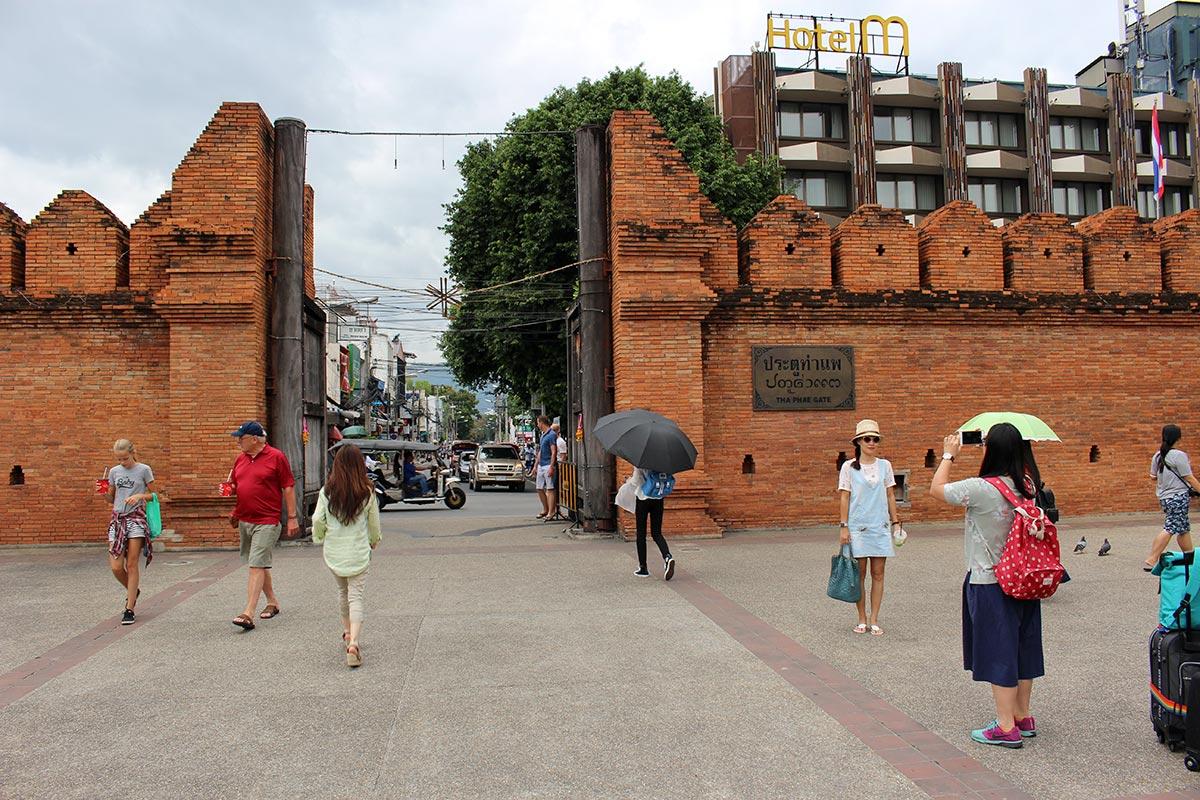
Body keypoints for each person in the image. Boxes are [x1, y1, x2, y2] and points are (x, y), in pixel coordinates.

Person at [931, 422, 1044, 749]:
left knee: (999, 650)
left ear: (992, 450)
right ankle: (1022, 716)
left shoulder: (981, 488)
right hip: (1025, 578)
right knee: (1023, 647)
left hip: (990, 581)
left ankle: (1005, 726)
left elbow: (937, 489)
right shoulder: (1028, 485)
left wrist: (948, 455)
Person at [311, 444, 381, 668]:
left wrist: (319, 536)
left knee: (343, 593)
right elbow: (373, 523)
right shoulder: (367, 491)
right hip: (358, 551)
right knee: (355, 596)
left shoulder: (327, 491)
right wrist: (374, 539)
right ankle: (354, 643)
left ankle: (347, 632)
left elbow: (317, 519)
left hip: (335, 552)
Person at [227, 421, 299, 631]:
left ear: (254, 439)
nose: (238, 442)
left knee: (256, 564)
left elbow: (288, 487)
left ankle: (248, 612)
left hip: (267, 520)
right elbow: (237, 485)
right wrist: (231, 494)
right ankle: (272, 602)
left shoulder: (276, 457)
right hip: (245, 519)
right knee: (258, 562)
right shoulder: (240, 459)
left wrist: (292, 517)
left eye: (241, 438)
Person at [837, 419, 900, 636]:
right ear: (859, 442)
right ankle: (861, 618)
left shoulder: (885, 465)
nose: (872, 443)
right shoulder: (848, 467)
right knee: (860, 574)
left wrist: (896, 522)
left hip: (880, 526)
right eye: (867, 439)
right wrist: (844, 526)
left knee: (878, 573)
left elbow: (890, 494)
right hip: (858, 527)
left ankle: (874, 619)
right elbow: (845, 497)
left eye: (875, 439)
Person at [102, 439, 157, 625]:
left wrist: (140, 496)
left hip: (136, 518)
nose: (122, 462)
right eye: (119, 459)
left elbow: (156, 495)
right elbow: (111, 499)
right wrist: (103, 492)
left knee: (132, 564)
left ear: (132, 453)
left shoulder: (144, 470)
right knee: (116, 567)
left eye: (125, 458)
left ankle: (130, 608)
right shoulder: (114, 472)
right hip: (118, 519)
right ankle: (134, 591)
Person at [1146, 424, 1200, 570]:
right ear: (1178, 437)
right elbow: (1189, 477)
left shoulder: (1158, 455)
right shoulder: (1179, 455)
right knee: (1170, 527)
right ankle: (1152, 558)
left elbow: (1152, 476)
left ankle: (1190, 556)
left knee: (1183, 528)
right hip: (1178, 497)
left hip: (1165, 497)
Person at [617, 465, 675, 580]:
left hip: (643, 499)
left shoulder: (641, 463)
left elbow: (636, 481)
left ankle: (643, 568)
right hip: (658, 499)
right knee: (657, 533)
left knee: (641, 534)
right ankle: (667, 557)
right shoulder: (663, 462)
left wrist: (627, 481)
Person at [534, 415, 559, 520]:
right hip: (541, 464)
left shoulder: (551, 434)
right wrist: (535, 465)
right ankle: (545, 509)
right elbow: (540, 451)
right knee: (539, 488)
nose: (537, 425)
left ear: (541, 423)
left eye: (538, 422)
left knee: (550, 488)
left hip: (548, 464)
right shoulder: (543, 435)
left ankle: (551, 511)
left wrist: (552, 466)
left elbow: (554, 451)